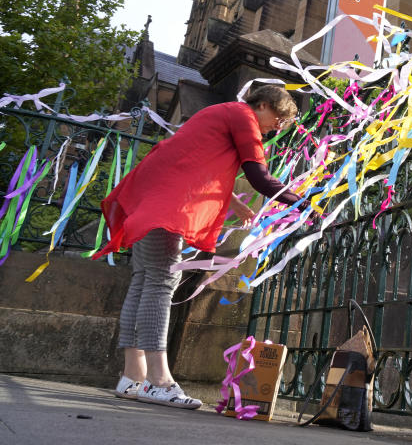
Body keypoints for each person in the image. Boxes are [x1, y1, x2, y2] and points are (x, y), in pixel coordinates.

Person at [93, 85, 305, 409]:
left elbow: (195, 162)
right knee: (162, 280)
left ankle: (132, 376)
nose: (278, 127)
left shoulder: (219, 114)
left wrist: (234, 203)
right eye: (278, 118)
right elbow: (259, 176)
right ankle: (158, 380)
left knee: (145, 279)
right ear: (262, 104)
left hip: (152, 191)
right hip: (168, 200)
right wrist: (303, 202)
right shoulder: (242, 115)